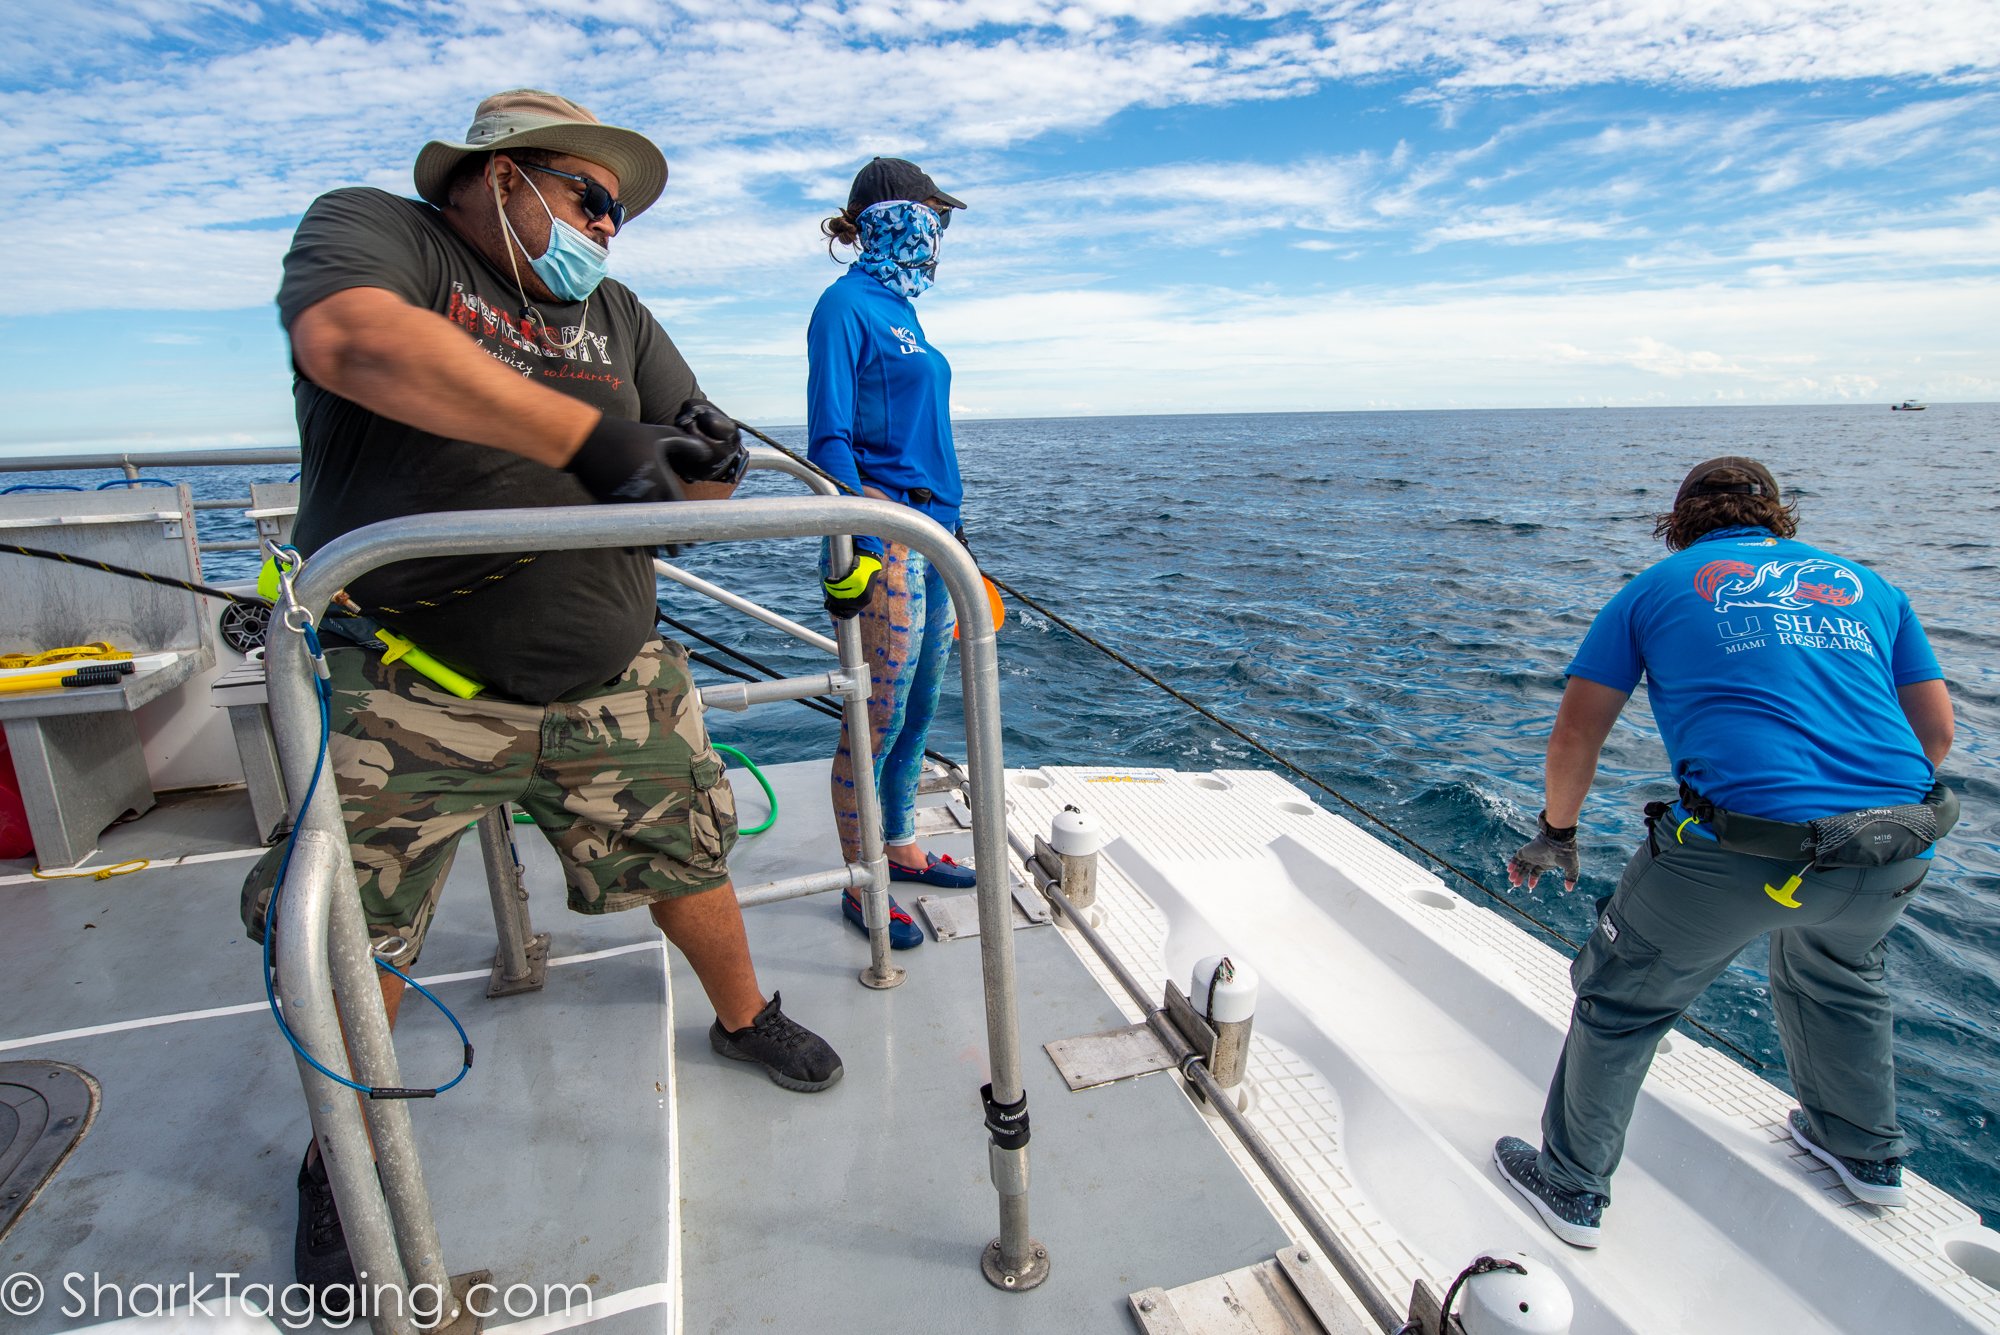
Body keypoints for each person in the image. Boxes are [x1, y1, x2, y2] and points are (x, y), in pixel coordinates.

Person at [245, 89, 843, 1301]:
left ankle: (741, 1018)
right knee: (359, 935)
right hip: (409, 680)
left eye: (619, 213)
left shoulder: (616, 311)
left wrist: (704, 469)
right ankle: (338, 1157)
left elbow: (690, 489)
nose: (608, 230)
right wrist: (585, 437)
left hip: (613, 676)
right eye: (590, 197)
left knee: (689, 857)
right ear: (500, 176)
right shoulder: (382, 234)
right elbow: (352, 342)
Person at [1496, 457, 1957, 1248]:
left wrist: (1557, 834)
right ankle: (1864, 1152)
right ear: (1777, 515)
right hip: (1894, 845)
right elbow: (1937, 736)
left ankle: (1570, 1185)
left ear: (1679, 522)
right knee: (1841, 969)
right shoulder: (1871, 588)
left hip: (1738, 851)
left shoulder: (1656, 587)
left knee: (1623, 997)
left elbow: (1577, 730)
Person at [806, 157, 973, 949]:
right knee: (874, 715)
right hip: (889, 539)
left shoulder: (904, 310)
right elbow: (830, 436)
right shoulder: (844, 307)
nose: (939, 232)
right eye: (932, 215)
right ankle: (859, 877)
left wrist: (960, 541)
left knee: (920, 705)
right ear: (893, 216)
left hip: (939, 539)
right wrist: (862, 545)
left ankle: (900, 843)